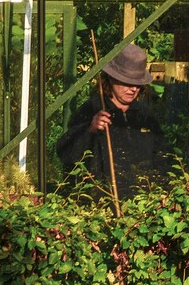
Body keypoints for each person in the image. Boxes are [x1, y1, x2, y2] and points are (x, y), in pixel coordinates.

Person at [54, 43, 175, 201]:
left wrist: (167, 192)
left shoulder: (145, 117)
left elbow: (163, 158)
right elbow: (65, 154)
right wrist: (89, 129)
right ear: (111, 78)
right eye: (127, 82)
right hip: (99, 205)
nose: (133, 89)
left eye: (137, 84)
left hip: (142, 206)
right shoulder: (92, 110)